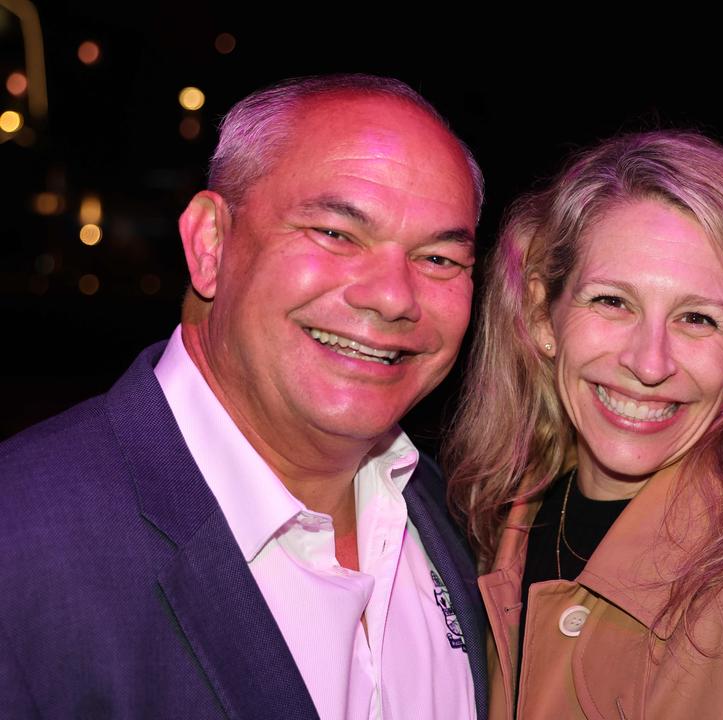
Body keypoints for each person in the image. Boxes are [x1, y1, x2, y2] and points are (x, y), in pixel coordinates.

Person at [0, 74, 489, 719]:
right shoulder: (25, 541)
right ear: (210, 243)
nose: (394, 296)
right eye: (336, 234)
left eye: (438, 260)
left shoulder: (462, 519)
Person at [445, 130, 723, 719]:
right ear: (543, 316)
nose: (649, 362)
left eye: (697, 318)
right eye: (612, 302)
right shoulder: (488, 526)